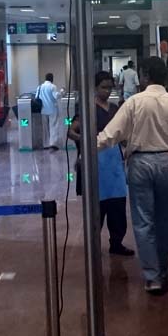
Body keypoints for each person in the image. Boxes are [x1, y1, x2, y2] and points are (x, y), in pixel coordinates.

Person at [97, 57, 168, 295]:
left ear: (145, 76)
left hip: (140, 164)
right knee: (166, 221)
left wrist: (88, 151)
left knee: (143, 220)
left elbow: (110, 134)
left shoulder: (133, 102)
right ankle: (163, 271)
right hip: (167, 161)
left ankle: (152, 277)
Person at [68, 72, 135, 257]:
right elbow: (71, 132)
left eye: (109, 87)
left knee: (117, 207)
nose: (106, 91)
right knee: (97, 208)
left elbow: (122, 135)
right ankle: (93, 245)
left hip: (114, 165)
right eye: (103, 87)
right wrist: (89, 141)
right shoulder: (87, 110)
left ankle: (116, 243)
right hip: (95, 163)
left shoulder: (115, 109)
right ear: (95, 88)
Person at [36, 73, 61, 151]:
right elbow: (56, 96)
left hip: (43, 110)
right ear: (52, 79)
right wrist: (61, 92)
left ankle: (45, 144)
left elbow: (36, 97)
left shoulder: (40, 87)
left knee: (45, 128)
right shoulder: (53, 86)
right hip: (52, 109)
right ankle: (53, 143)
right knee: (53, 126)